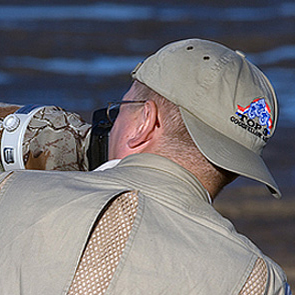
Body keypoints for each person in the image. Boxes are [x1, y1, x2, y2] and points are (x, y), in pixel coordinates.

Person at [0, 38, 292, 295]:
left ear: (145, 122)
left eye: (119, 110)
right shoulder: (260, 281)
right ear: (239, 165)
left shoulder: (11, 192)